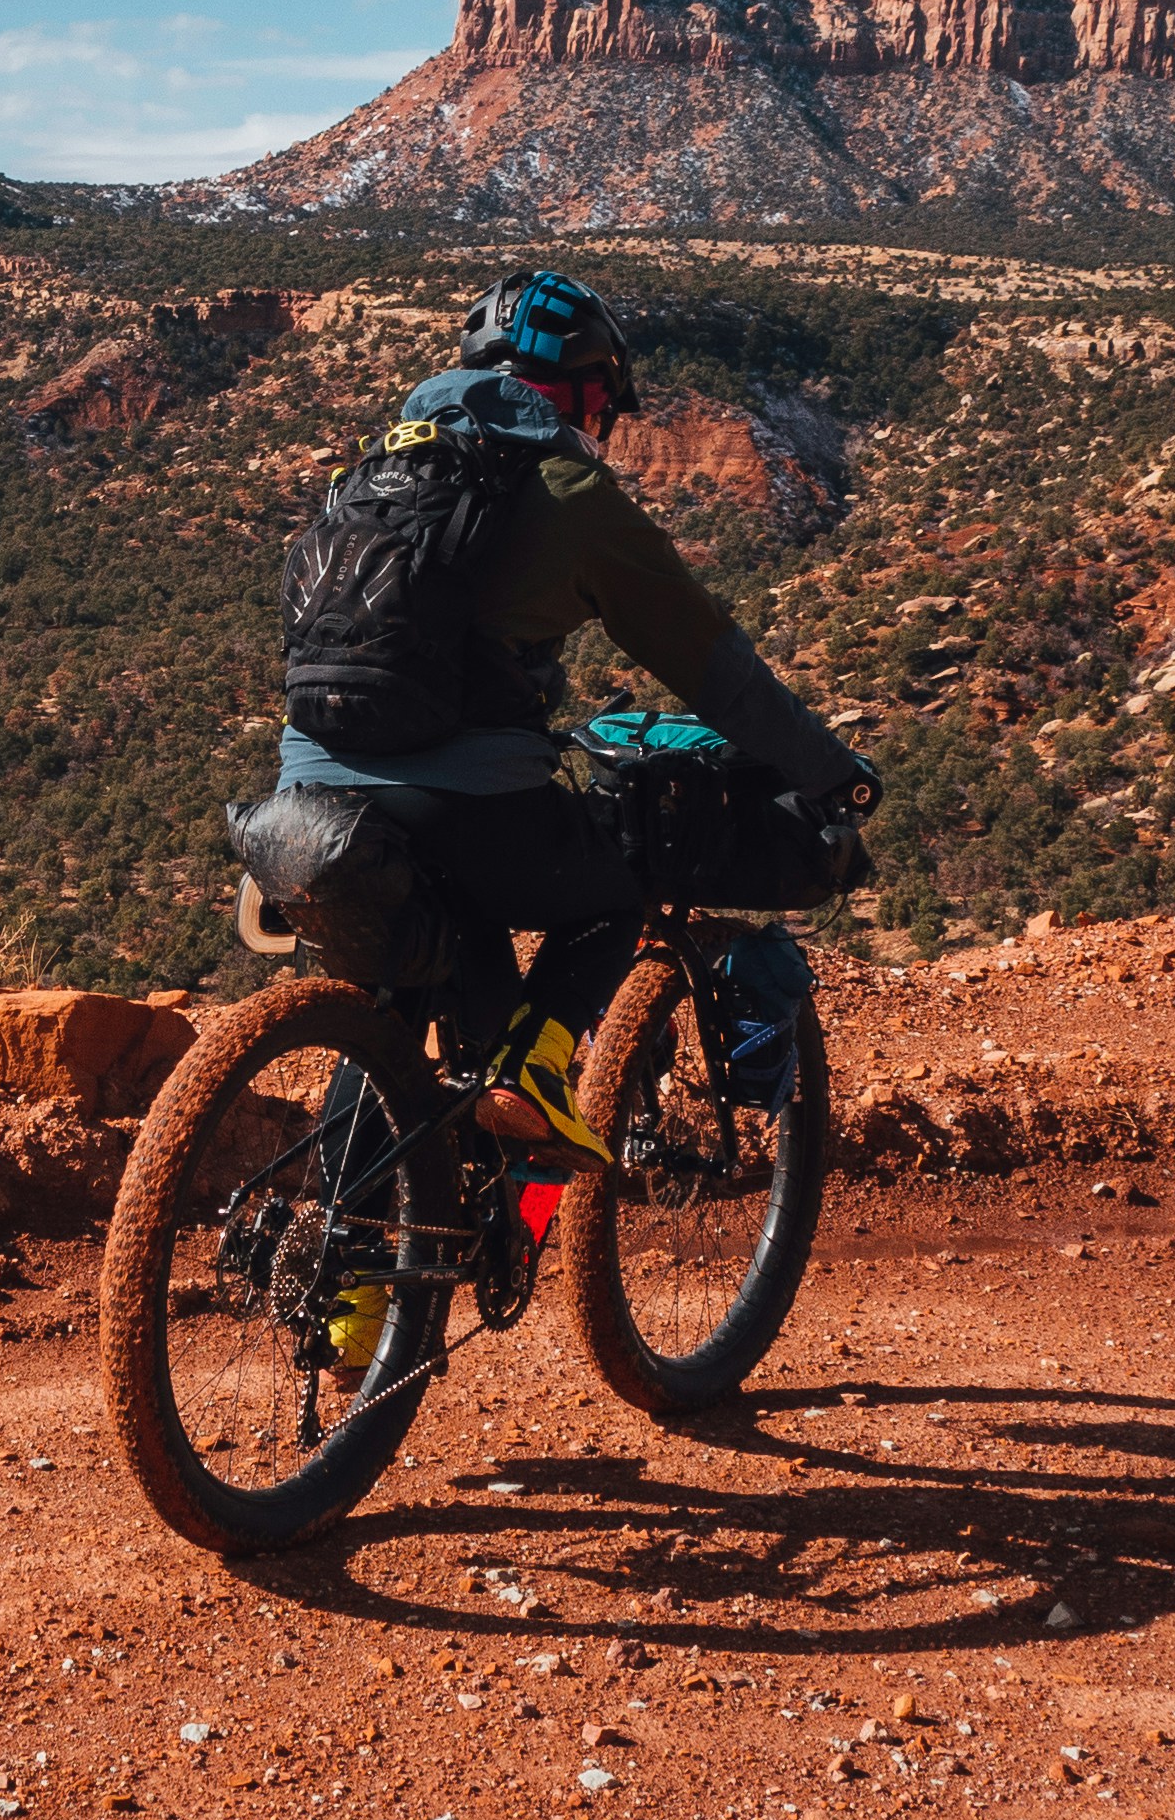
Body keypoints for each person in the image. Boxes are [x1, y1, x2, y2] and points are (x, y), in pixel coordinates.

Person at [235, 269, 874, 1195]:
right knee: (628, 869)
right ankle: (536, 1066)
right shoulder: (567, 490)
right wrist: (827, 770)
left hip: (310, 798)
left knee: (397, 1008)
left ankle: (356, 1294)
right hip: (463, 803)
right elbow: (715, 668)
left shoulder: (372, 469)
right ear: (579, 389)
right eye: (606, 401)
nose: (606, 422)